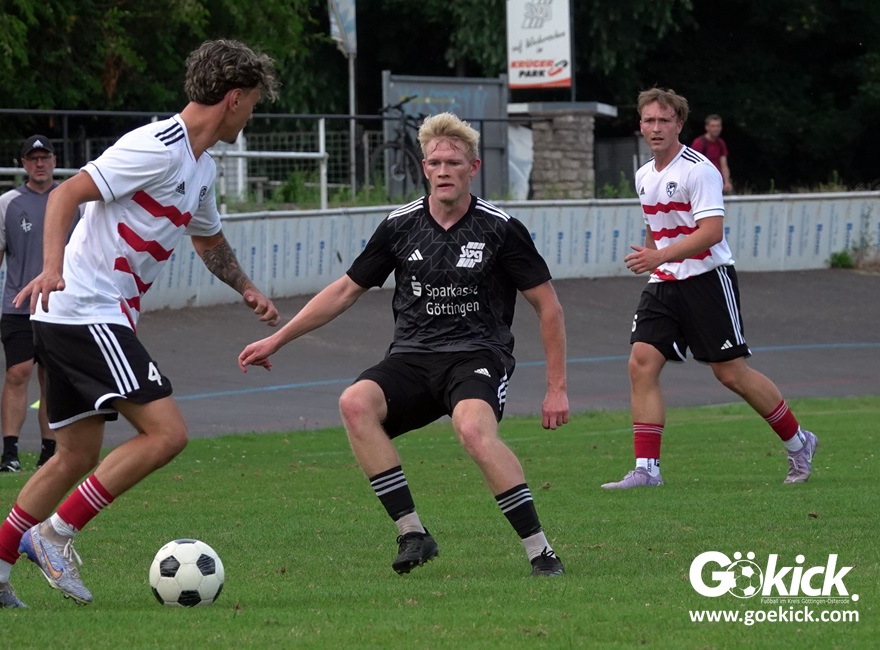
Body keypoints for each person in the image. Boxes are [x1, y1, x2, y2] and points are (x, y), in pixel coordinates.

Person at [0, 39, 281, 609]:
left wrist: (247, 288)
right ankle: (54, 534)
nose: (252, 114)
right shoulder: (156, 146)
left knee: (75, 456)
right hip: (87, 310)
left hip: (73, 316)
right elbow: (66, 193)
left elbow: (207, 238)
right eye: (253, 102)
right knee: (167, 434)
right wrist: (53, 267)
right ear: (233, 98)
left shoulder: (201, 167)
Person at [239, 112, 570, 577]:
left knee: (474, 431)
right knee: (354, 403)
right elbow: (345, 290)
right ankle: (412, 533)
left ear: (473, 168)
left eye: (453, 162)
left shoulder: (500, 228)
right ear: (423, 167)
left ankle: (541, 552)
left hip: (477, 356)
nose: (443, 170)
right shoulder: (400, 225)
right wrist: (278, 339)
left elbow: (548, 307)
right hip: (412, 358)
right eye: (435, 162)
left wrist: (556, 388)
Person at [602, 88, 817, 490]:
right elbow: (655, 226)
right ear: (640, 125)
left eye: (664, 120)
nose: (656, 127)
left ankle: (799, 442)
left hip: (707, 279)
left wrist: (659, 256)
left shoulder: (699, 170)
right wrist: (652, 260)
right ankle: (647, 470)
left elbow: (711, 232)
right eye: (649, 120)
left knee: (730, 373)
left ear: (679, 125)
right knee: (641, 362)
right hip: (664, 281)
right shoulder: (644, 175)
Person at [0, 135, 64, 473]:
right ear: (24, 164)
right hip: (19, 305)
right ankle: (9, 454)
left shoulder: (70, 199)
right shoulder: (8, 203)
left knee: (52, 378)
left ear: (54, 161)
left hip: (60, 305)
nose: (39, 164)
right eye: (32, 158)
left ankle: (49, 453)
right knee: (17, 373)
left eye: (45, 157)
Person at [690, 114, 733, 194]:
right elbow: (691, 164)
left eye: (718, 126)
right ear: (707, 127)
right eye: (713, 126)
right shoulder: (699, 143)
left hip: (717, 181)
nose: (716, 129)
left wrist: (727, 182)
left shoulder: (720, 143)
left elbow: (724, 164)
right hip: (703, 182)